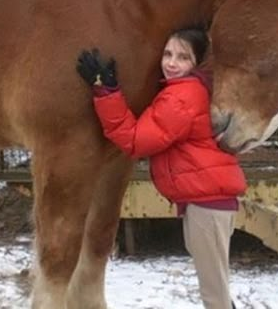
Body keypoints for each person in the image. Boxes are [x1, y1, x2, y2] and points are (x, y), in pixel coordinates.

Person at [76, 27, 247, 309]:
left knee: (213, 290)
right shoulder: (189, 89)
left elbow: (134, 140)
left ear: (196, 64)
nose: (171, 63)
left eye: (183, 57)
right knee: (215, 284)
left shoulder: (183, 96)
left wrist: (106, 91)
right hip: (207, 200)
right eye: (167, 54)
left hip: (207, 203)